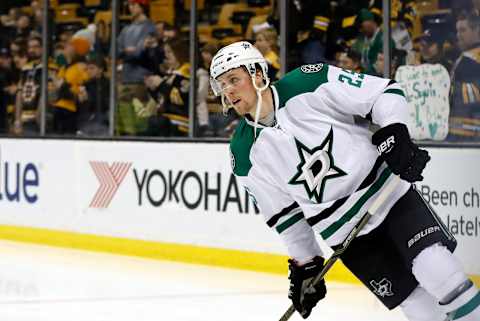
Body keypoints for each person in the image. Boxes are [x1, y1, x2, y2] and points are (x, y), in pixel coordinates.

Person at [209, 41, 480, 321]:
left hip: (386, 196)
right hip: (345, 236)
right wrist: (306, 263)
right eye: (221, 85)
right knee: (417, 308)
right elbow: (286, 216)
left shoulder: (308, 81)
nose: (228, 91)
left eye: (233, 79)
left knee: (436, 268)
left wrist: (395, 130)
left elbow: (383, 93)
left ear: (257, 74)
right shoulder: (243, 153)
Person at [117, 0, 156, 135]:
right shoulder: (126, 29)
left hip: (141, 77)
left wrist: (129, 52)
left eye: (134, 5)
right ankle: (129, 137)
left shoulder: (150, 27)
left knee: (141, 115)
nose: (130, 7)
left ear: (142, 6)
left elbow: (141, 53)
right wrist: (133, 50)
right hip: (126, 77)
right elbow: (116, 51)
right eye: (129, 5)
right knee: (124, 113)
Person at [142, 38, 190, 136]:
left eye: (169, 52)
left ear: (179, 53)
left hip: (180, 122)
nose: (166, 55)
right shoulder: (171, 74)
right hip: (166, 121)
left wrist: (161, 84)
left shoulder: (186, 73)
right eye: (165, 52)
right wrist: (153, 88)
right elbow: (163, 99)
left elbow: (181, 99)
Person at [449, 13, 480, 141]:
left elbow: (462, 101)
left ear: (477, 30)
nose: (458, 36)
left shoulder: (470, 61)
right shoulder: (465, 58)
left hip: (467, 133)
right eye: (457, 31)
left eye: (463, 30)